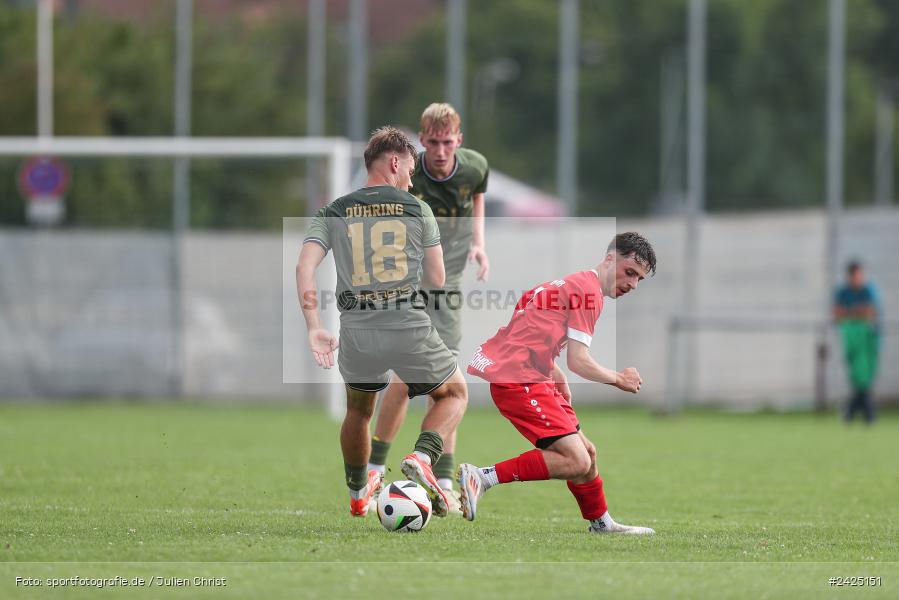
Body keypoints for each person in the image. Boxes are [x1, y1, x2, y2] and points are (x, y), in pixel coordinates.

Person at [296, 126, 468, 518]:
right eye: (409, 170)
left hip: (356, 331)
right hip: (408, 325)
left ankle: (359, 494)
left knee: (358, 411)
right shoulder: (417, 208)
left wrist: (313, 326)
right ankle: (424, 456)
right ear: (393, 162)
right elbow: (437, 279)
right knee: (454, 394)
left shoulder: (334, 210)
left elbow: (304, 266)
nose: (411, 179)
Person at [457, 232, 657, 535]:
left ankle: (601, 523)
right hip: (520, 380)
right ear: (609, 259)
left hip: (533, 377)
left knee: (587, 455)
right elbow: (579, 360)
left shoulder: (565, 284)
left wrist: (554, 371)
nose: (632, 284)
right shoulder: (588, 293)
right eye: (629, 272)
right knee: (575, 460)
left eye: (639, 279)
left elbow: (524, 329)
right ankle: (482, 477)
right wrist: (619, 379)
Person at [367, 103, 490, 512]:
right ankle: (375, 469)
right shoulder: (409, 177)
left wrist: (479, 243)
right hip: (410, 288)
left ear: (459, 140)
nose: (440, 150)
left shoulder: (474, 167)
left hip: (449, 288)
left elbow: (477, 195)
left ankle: (442, 481)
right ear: (422, 141)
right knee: (403, 380)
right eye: (433, 142)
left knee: (447, 386)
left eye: (447, 142)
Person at [833, 261, 882, 423]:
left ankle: (854, 412)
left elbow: (870, 313)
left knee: (866, 374)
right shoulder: (843, 292)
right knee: (857, 375)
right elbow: (837, 315)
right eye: (855, 275)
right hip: (851, 339)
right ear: (850, 277)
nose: (858, 278)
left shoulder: (869, 290)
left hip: (868, 339)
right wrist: (858, 312)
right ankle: (865, 413)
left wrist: (850, 312)